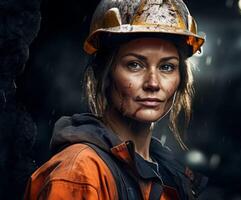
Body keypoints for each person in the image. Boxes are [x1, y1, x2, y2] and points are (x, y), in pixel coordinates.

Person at [24, 0, 207, 199]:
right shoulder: (79, 173)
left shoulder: (167, 174)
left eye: (166, 67)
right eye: (135, 65)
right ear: (104, 73)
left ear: (180, 78)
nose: (153, 83)